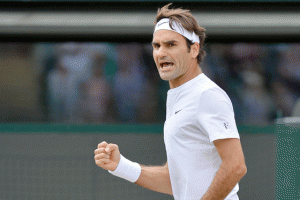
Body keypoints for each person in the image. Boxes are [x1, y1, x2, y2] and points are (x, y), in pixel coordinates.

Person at [94, 3, 247, 200]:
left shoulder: (207, 95)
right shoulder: (179, 97)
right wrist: (121, 166)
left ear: (194, 49)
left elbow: (235, 166)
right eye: (156, 46)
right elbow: (176, 180)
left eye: (171, 44)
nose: (161, 53)